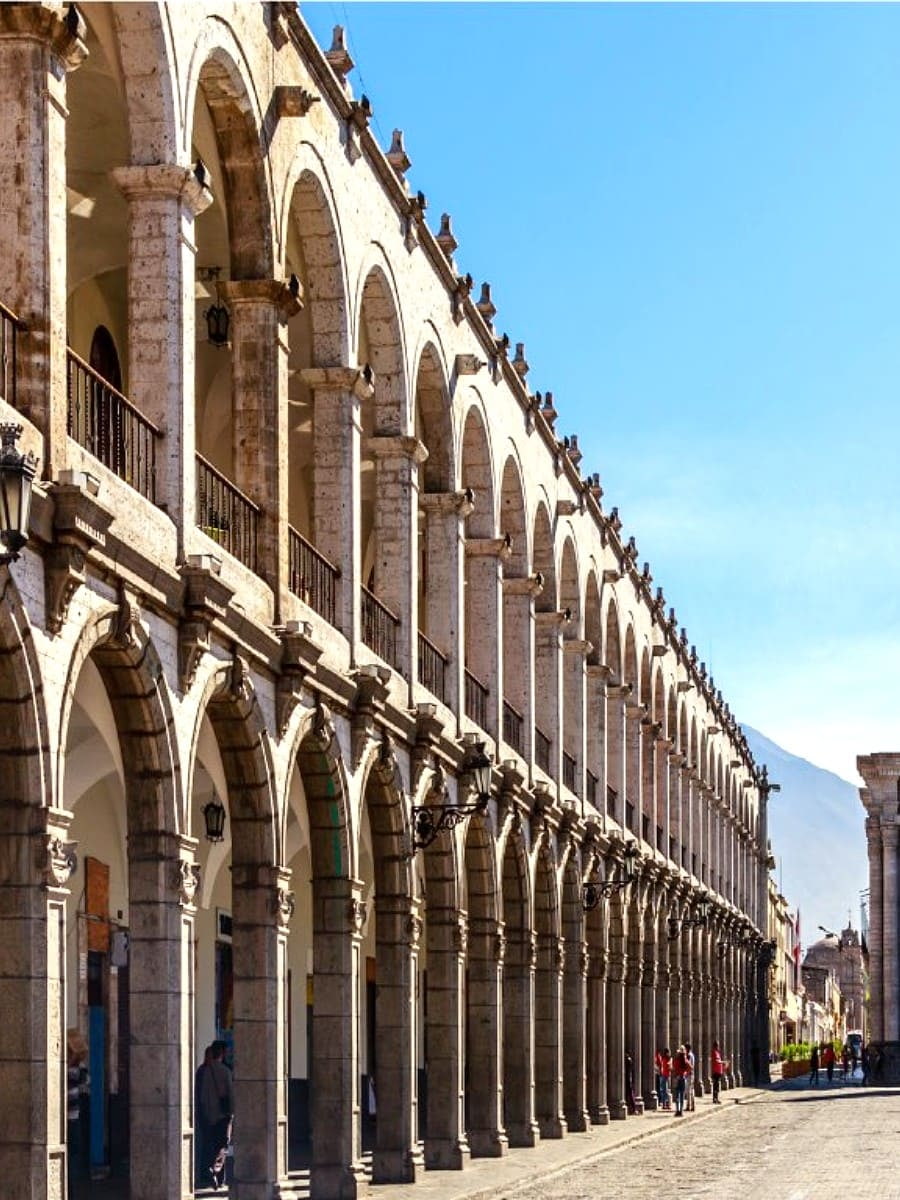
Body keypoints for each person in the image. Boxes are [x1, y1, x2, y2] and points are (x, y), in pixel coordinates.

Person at [198, 1040, 234, 1190]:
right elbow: (231, 1094)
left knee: (211, 1144)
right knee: (223, 1146)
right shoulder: (225, 1071)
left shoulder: (205, 1071)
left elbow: (202, 1095)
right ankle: (218, 1173)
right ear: (223, 1053)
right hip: (223, 1115)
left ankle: (213, 1173)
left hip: (209, 1115)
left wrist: (205, 1112)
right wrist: (232, 1113)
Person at [67, 1029, 90, 1199]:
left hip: (70, 1118)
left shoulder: (72, 1071)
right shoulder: (75, 1071)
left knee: (70, 1159)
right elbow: (85, 1079)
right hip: (72, 1118)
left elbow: (83, 1078)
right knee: (71, 1159)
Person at [710, 1040, 728, 1104]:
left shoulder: (717, 1053)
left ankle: (716, 1098)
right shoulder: (714, 1052)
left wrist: (723, 1064)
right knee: (715, 1086)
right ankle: (715, 1099)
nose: (718, 1047)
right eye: (717, 1045)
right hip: (715, 1071)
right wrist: (723, 1062)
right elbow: (717, 1061)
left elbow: (719, 1061)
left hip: (719, 1071)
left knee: (717, 1086)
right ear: (715, 1046)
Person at [684, 1042, 696, 1111]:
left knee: (689, 1091)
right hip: (690, 1074)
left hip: (689, 1074)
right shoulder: (691, 1055)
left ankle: (689, 1106)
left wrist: (686, 1073)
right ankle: (692, 1105)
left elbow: (690, 1066)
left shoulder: (689, 1055)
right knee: (690, 1090)